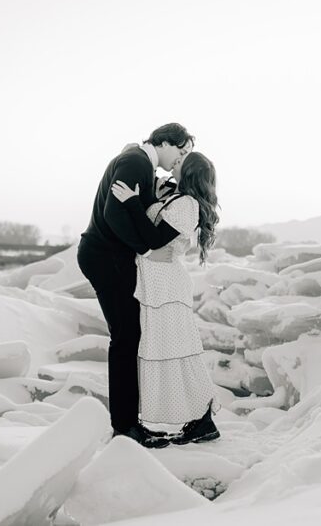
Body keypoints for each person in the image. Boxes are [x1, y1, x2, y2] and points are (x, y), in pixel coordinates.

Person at [77, 123, 194, 448]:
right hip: (107, 257)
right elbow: (113, 213)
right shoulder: (136, 162)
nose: (179, 161)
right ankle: (125, 428)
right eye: (181, 152)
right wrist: (144, 248)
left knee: (128, 338)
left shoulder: (137, 162)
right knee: (126, 339)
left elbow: (126, 211)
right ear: (168, 142)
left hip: (108, 256)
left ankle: (128, 424)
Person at [109, 151, 221, 445]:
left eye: (181, 162)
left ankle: (203, 419)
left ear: (190, 173)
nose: (175, 163)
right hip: (154, 283)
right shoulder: (175, 198)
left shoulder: (187, 205)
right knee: (167, 350)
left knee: (179, 350)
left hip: (167, 286)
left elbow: (155, 239)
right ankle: (196, 419)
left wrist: (133, 202)